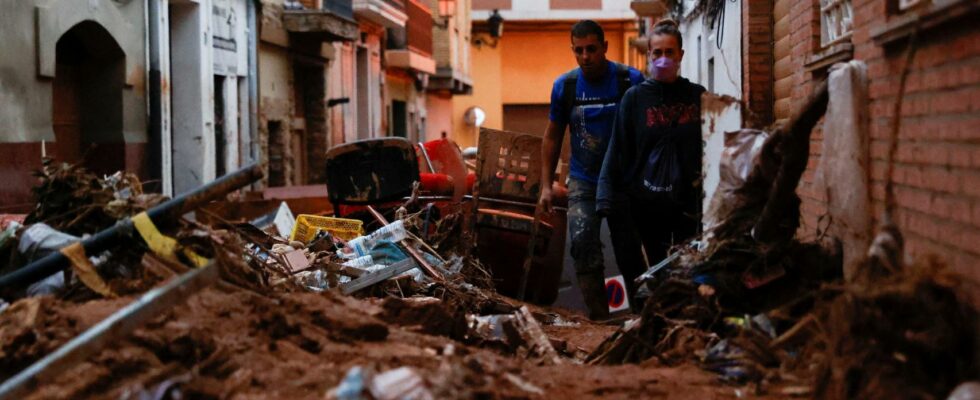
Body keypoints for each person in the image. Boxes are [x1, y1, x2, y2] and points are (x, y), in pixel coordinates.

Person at [538, 20, 646, 320]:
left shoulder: (630, 81)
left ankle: (640, 317)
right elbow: (552, 136)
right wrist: (547, 185)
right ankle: (600, 319)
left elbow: (647, 134)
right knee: (583, 244)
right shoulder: (566, 86)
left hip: (623, 181)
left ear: (605, 47)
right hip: (583, 181)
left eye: (592, 49)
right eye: (579, 50)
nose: (586, 56)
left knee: (629, 251)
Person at [597, 19, 706, 269]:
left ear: (681, 54)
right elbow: (618, 147)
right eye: (657, 52)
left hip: (688, 204)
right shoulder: (634, 99)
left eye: (670, 52)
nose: (663, 58)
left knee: (688, 265)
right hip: (647, 205)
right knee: (658, 267)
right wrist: (604, 196)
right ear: (649, 54)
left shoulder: (697, 97)